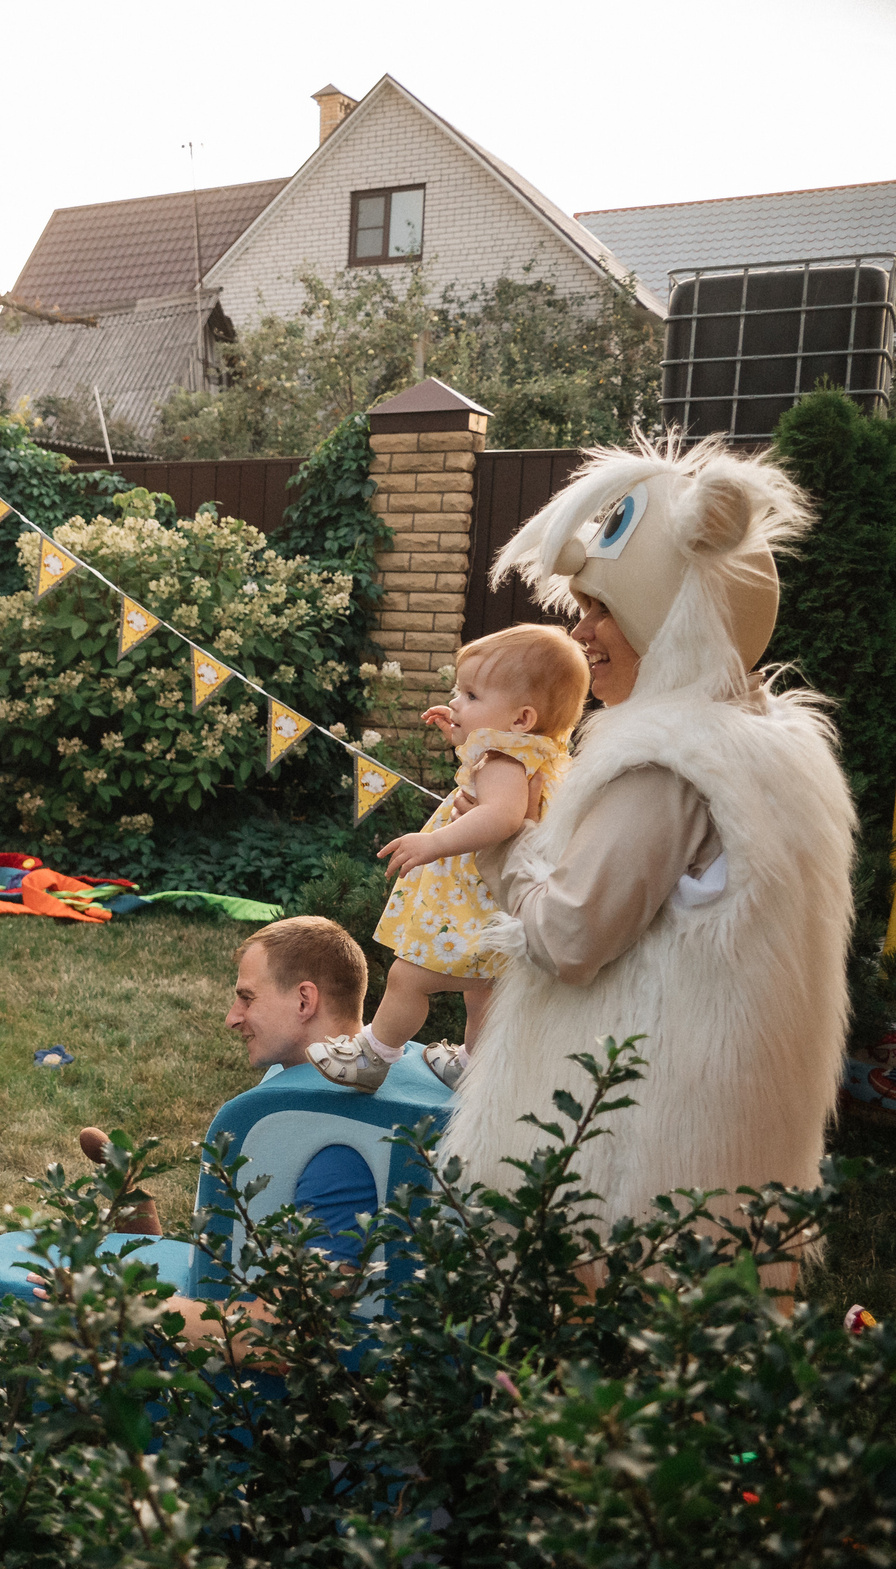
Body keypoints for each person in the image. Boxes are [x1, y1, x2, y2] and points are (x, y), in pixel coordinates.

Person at [450, 438, 857, 1237]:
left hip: (628, 1165)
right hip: (721, 1149)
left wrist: (508, 849)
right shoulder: (767, 742)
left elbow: (570, 932)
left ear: (673, 614)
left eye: (604, 608)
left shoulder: (666, 764)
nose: (584, 632)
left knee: (588, 1348)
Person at [309, 624, 591, 1093]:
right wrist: (462, 732)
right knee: (484, 991)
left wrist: (431, 843)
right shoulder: (527, 754)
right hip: (494, 903)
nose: (457, 701)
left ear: (521, 719)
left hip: (469, 905)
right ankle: (474, 1065)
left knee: (409, 976)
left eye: (472, 695)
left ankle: (373, 1057)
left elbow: (500, 817)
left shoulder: (504, 760)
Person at [81, 915, 372, 1238]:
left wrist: (99, 1288)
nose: (231, 1018)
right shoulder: (306, 1086)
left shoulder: (335, 1125)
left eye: (247, 998)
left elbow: (306, 1289)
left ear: (304, 1001)